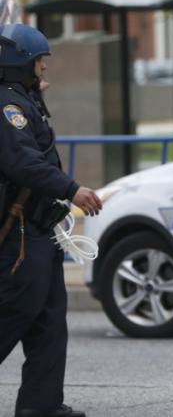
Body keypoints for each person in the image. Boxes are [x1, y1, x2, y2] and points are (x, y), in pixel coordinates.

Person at [0, 23, 103, 417]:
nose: (44, 69)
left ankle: (41, 404)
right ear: (19, 64)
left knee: (48, 319)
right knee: (15, 311)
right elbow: (23, 161)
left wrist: (34, 97)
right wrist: (71, 189)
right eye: (39, 62)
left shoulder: (22, 100)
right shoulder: (7, 107)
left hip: (38, 228)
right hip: (20, 235)